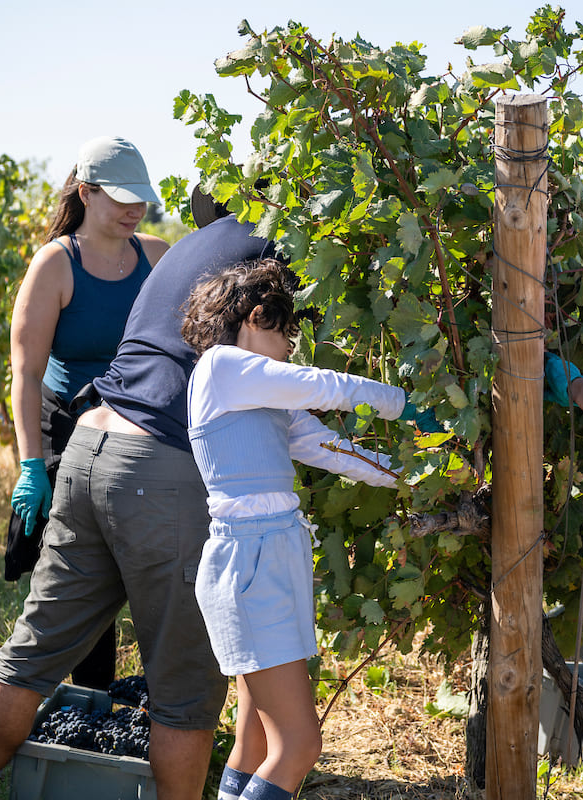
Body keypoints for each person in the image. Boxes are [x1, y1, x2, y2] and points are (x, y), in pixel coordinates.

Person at [0, 204, 274, 800]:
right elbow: (274, 377)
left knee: (35, 646)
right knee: (183, 685)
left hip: (90, 442)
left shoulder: (191, 247)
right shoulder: (279, 257)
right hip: (161, 467)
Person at [179, 259, 441, 800]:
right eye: (287, 338)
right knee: (300, 747)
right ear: (256, 317)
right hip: (251, 563)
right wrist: (403, 406)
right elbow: (318, 385)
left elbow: (333, 450)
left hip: (270, 557)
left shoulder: (259, 399)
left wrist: (420, 478)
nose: (289, 352)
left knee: (255, 739)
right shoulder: (221, 367)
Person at [5, 135, 169, 690]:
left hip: (139, 430)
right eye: (120, 197)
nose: (133, 209)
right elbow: (25, 376)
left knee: (147, 567)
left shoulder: (156, 257)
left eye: (140, 198)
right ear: (86, 193)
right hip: (67, 429)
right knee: (79, 574)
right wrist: (32, 467)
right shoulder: (55, 264)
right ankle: (89, 702)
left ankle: (157, 707)